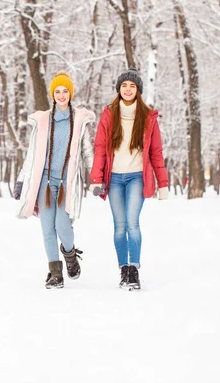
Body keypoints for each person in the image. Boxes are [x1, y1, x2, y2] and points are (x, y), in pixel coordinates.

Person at [89, 67, 169, 291]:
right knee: (119, 228)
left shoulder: (148, 117)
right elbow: (100, 149)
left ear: (138, 90)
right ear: (118, 89)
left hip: (136, 178)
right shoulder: (109, 114)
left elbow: (156, 153)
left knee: (132, 224)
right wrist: (96, 178)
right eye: (124, 85)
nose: (127, 89)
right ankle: (123, 268)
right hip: (113, 178)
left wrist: (162, 184)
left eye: (132, 86)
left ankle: (134, 269)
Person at [14, 71, 96, 289]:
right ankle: (54, 273)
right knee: (47, 228)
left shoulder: (78, 121)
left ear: (70, 93)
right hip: (45, 183)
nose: (61, 95)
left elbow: (87, 152)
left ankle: (70, 256)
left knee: (62, 225)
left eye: (65, 91)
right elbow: (32, 155)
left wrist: (96, 178)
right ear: (53, 94)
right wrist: (22, 180)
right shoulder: (43, 121)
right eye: (57, 91)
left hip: (66, 182)